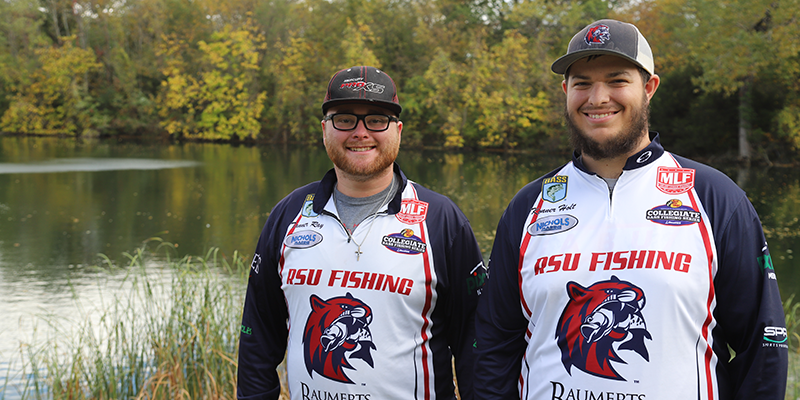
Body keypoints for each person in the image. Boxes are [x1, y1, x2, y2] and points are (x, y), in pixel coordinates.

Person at [474, 19, 788, 400]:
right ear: (566, 91)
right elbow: (494, 345)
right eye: (582, 83)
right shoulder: (529, 205)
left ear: (649, 88)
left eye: (617, 80)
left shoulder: (715, 197)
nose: (598, 97)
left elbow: (763, 344)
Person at [237, 66, 486, 400]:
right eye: (344, 119)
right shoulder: (288, 213)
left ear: (397, 130)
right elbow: (258, 340)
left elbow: (475, 342)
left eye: (376, 120)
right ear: (324, 129)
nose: (360, 132)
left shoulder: (441, 220)